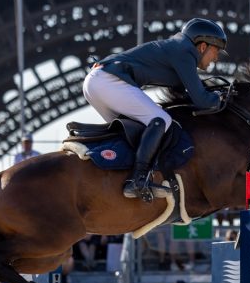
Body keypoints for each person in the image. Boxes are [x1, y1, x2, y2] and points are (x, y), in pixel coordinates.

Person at [84, 18, 226, 200]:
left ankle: (116, 176)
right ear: (203, 46)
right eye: (216, 51)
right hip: (109, 81)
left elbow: (183, 95)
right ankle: (138, 180)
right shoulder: (185, 51)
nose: (216, 58)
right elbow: (202, 100)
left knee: (134, 132)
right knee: (161, 120)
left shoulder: (177, 48)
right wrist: (222, 98)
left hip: (96, 81)